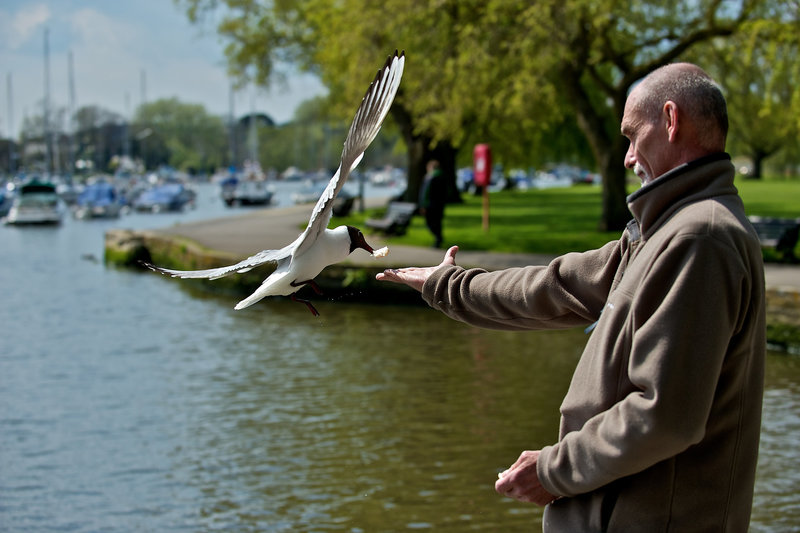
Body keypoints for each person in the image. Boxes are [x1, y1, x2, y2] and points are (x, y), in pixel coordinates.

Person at [377, 63, 766, 532]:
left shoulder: (699, 238)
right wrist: (448, 285)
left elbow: (664, 415)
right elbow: (553, 288)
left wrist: (553, 471)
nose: (626, 157)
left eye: (630, 135)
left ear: (670, 120)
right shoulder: (662, 231)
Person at [419, 159, 447, 247]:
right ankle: (438, 239)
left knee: (430, 223)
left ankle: (438, 239)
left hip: (430, 205)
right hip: (440, 204)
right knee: (437, 222)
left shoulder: (429, 177)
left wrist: (423, 205)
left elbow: (425, 193)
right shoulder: (443, 176)